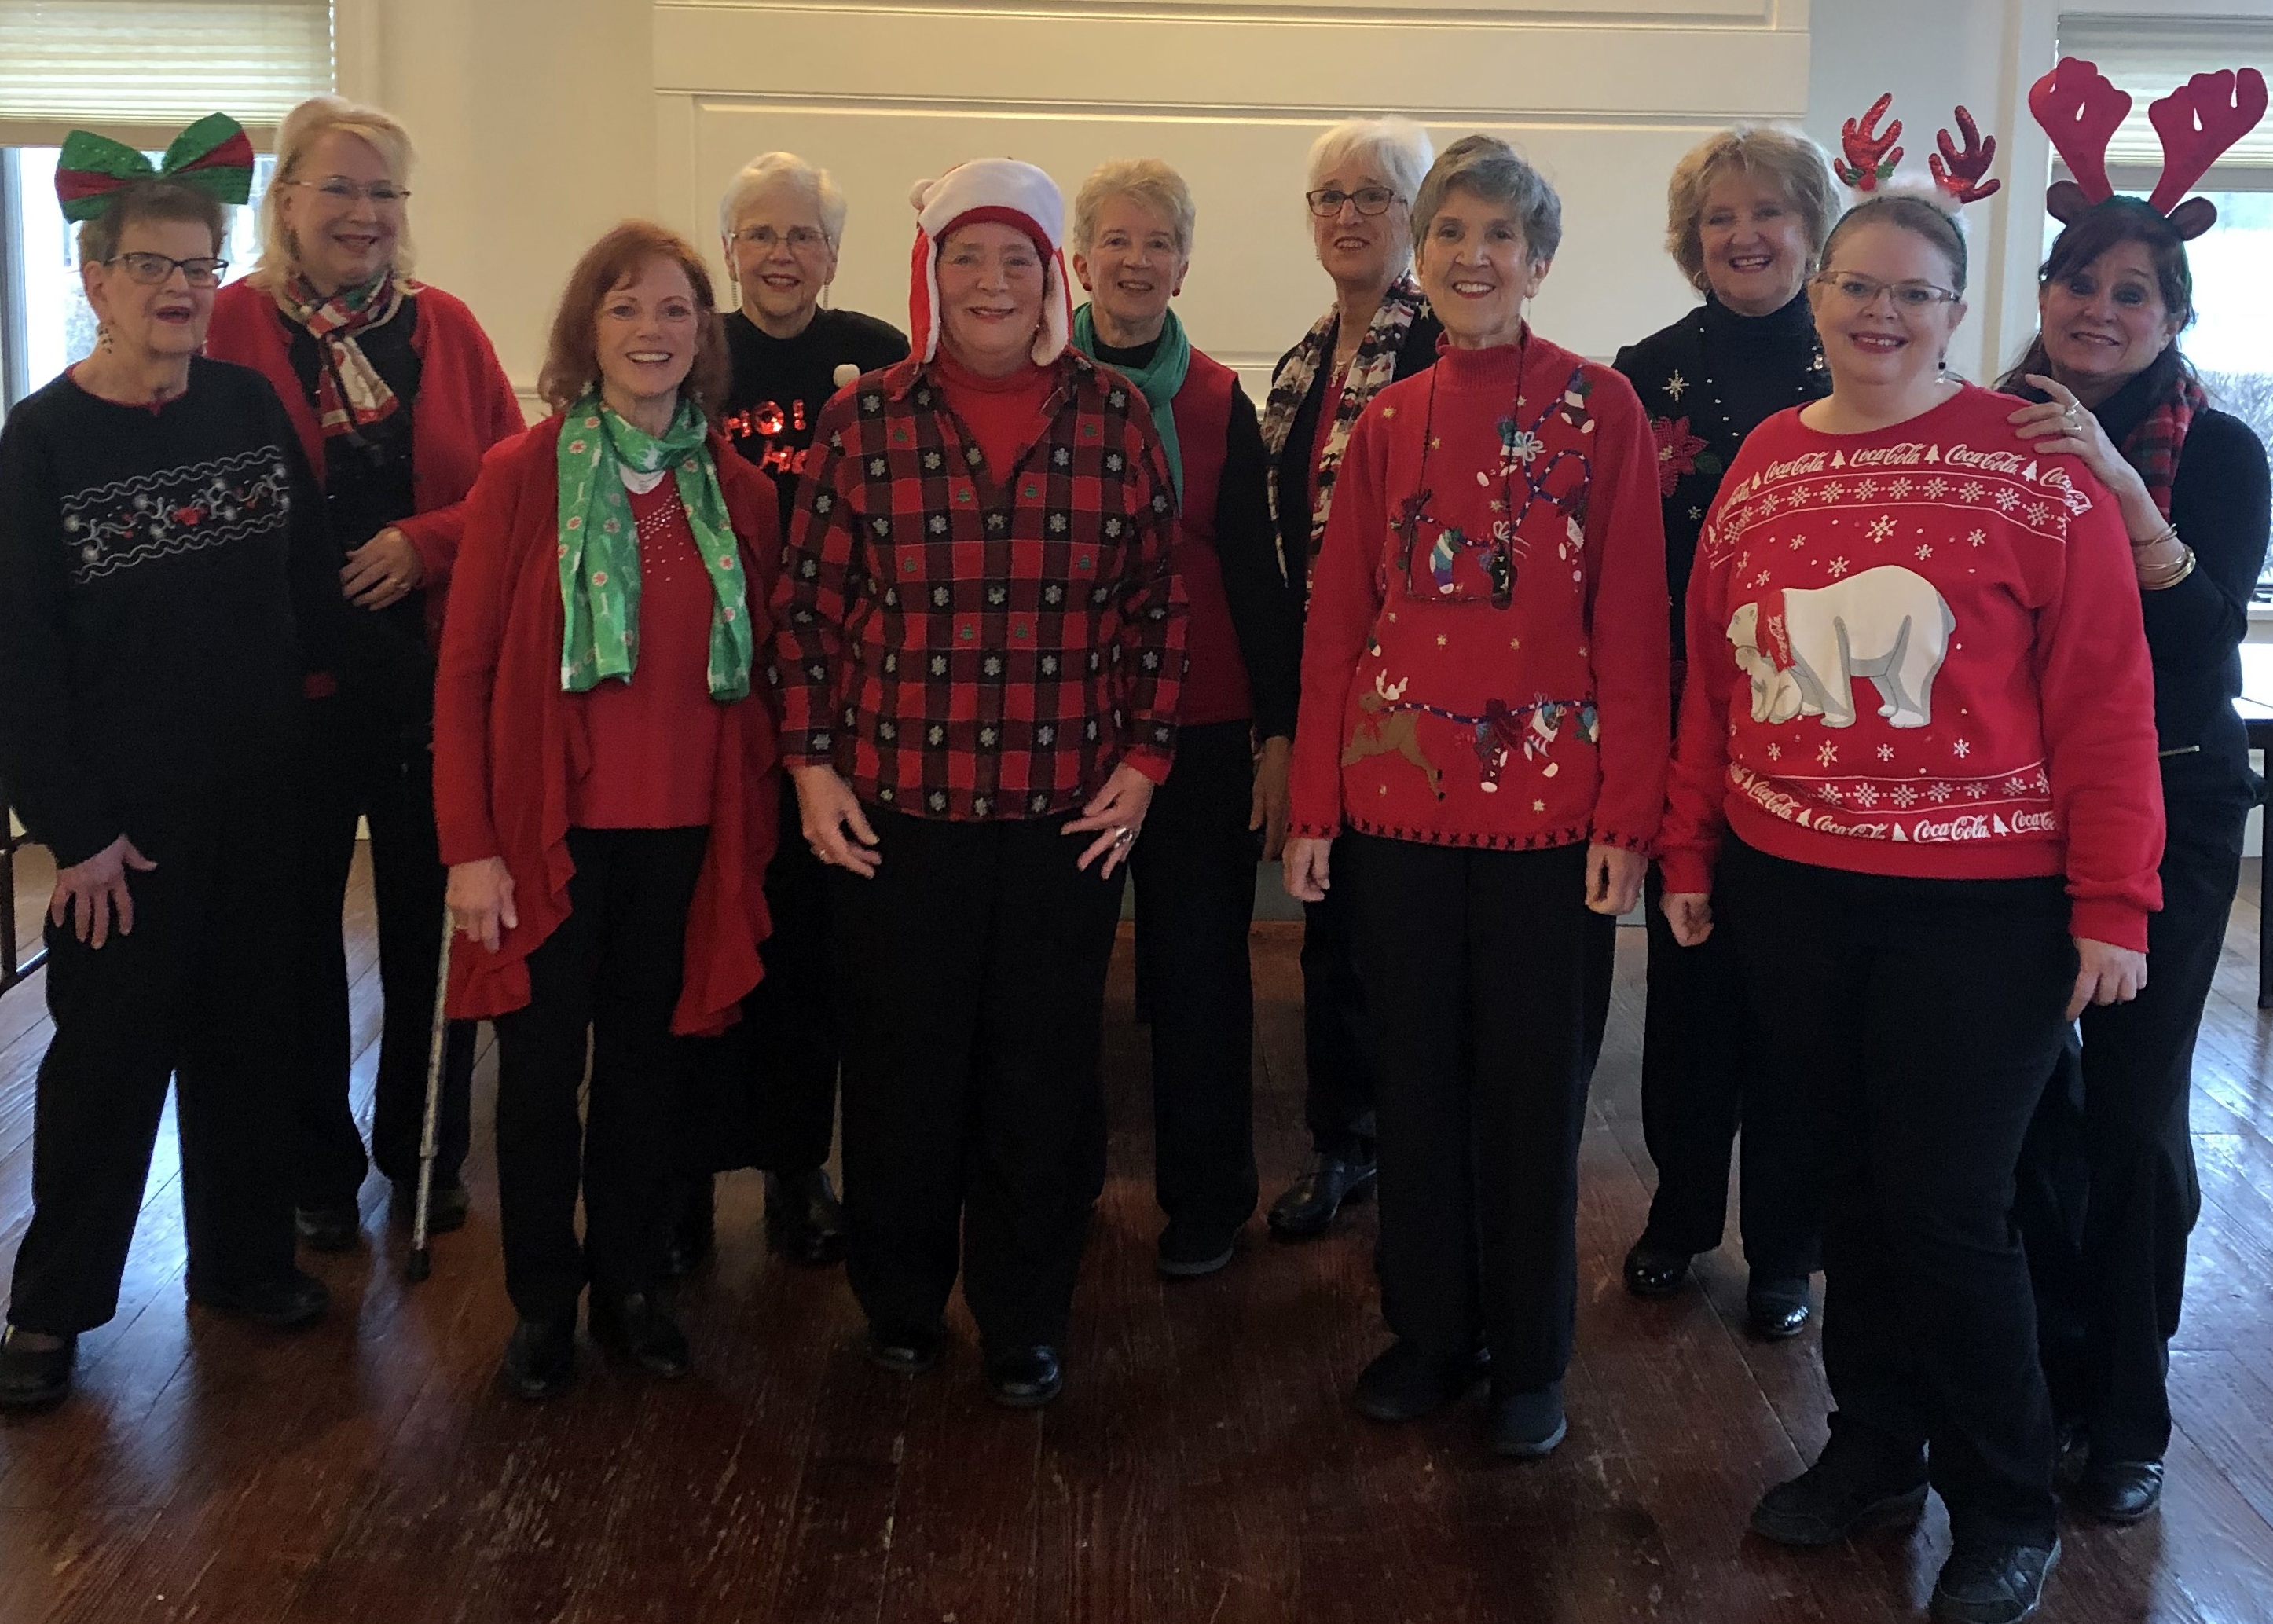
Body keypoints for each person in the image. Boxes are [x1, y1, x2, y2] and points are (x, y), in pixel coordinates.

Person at [1657, 165, 2165, 1622]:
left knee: (1949, 1204)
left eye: (1911, 292)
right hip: (1790, 886)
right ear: (1817, 297)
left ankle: (2004, 1498)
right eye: (1855, 286)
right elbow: (1716, 676)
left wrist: (2112, 903)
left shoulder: (2035, 463)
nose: (1880, 313)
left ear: (1955, 311)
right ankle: (1874, 1444)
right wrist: (1689, 847)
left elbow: (2102, 701)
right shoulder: (1761, 455)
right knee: (1842, 1187)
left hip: (1985, 907)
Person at [774, 159, 1185, 1407]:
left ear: (1048, 275)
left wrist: (1147, 757)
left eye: (1015, 259)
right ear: (932, 273)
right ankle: (900, 1299)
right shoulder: (862, 423)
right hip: (900, 811)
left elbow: (1157, 604)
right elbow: (808, 614)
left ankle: (1024, 1311)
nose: (991, 282)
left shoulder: (1113, 416)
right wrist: (808, 767)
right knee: (901, 1068)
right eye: (968, 258)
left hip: (1065, 815)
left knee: (1041, 1075)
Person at [1284, 135, 1669, 1457]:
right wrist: (1317, 806)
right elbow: (1338, 617)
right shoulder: (1387, 417)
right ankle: (1429, 1331)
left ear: (1539, 259)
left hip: (1550, 824)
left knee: (1528, 1093)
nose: (1470, 256)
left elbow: (1630, 616)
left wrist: (1628, 815)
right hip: (1395, 809)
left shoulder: (1598, 407)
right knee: (1418, 1085)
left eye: (1498, 234)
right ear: (1419, 250)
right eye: (1448, 231)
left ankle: (1528, 1357)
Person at [0, 117, 340, 1409]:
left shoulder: (251, 406)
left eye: (199, 266)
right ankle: (53, 1306)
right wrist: (73, 832)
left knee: (251, 1039)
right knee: (103, 1066)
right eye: (150, 265)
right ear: (93, 277)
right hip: (123, 832)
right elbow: (20, 663)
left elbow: (310, 590)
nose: (179, 289)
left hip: (262, 798)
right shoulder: (42, 445)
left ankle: (243, 1264)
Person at [434, 222, 781, 1401]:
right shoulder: (520, 476)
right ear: (589, 330)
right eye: (626, 307)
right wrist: (470, 849)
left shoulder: (738, 492)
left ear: (704, 336)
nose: (652, 330)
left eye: (677, 310)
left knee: (648, 1072)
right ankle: (542, 1301)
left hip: (684, 830)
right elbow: (467, 673)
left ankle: (633, 1283)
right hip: (545, 839)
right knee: (535, 1081)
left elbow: (766, 679)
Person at [2004, 56, 2271, 1527]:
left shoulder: (2215, 448)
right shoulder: (1980, 424)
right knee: (2028, 1113)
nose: (2100, 311)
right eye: (2079, 285)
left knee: (2133, 1114)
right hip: (2014, 813)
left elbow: (2204, 629)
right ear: (2042, 294)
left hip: (2174, 804)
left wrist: (2116, 483)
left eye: (2134, 295)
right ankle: (2041, 1375)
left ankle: (2128, 1405)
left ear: (2172, 319)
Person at [207, 95, 524, 1254]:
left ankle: (424, 1152)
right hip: (280, 687)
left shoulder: (447, 327)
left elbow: (502, 482)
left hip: (424, 677)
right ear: (285, 199)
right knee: (289, 937)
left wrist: (421, 543)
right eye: (337, 187)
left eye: (383, 191)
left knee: (426, 928)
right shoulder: (228, 323)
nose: (362, 212)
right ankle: (314, 1170)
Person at [1611, 124, 1839, 1339]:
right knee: (1690, 989)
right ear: (1689, 240)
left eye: (1767, 212)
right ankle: (1682, 1211)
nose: (1742, 235)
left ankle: (1787, 1250)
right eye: (1717, 218)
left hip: (1824, 734)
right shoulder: (1639, 374)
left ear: (1811, 225)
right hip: (1691, 724)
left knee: (1798, 1008)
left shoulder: (1858, 360)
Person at [669, 152, 911, 1278]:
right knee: (699, 931)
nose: (779, 254)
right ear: (728, 250)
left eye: (800, 235)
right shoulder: (687, 350)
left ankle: (794, 1167)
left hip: (843, 705)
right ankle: (682, 1169)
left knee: (813, 948)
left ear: (831, 252)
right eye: (758, 234)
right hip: (706, 702)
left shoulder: (879, 359)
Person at [1068, 157, 1301, 1278]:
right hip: (1062, 723)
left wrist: (1275, 733)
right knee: (1056, 974)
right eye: (1115, 240)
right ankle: (1053, 1181)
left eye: (1157, 242)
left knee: (1200, 971)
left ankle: (1207, 1199)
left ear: (1184, 261)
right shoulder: (1030, 375)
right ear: (1078, 257)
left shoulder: (1215, 399)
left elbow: (1253, 575)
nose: (1135, 261)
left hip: (1201, 723)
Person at [1259, 115, 1444, 1241]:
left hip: (1423, 701)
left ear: (1414, 219)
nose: (1345, 215)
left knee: (1410, 936)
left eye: (1371, 195)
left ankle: (1417, 1142)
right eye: (1328, 196)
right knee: (1329, 926)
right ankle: (1344, 1143)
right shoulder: (1298, 364)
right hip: (1327, 681)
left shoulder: (1441, 350)